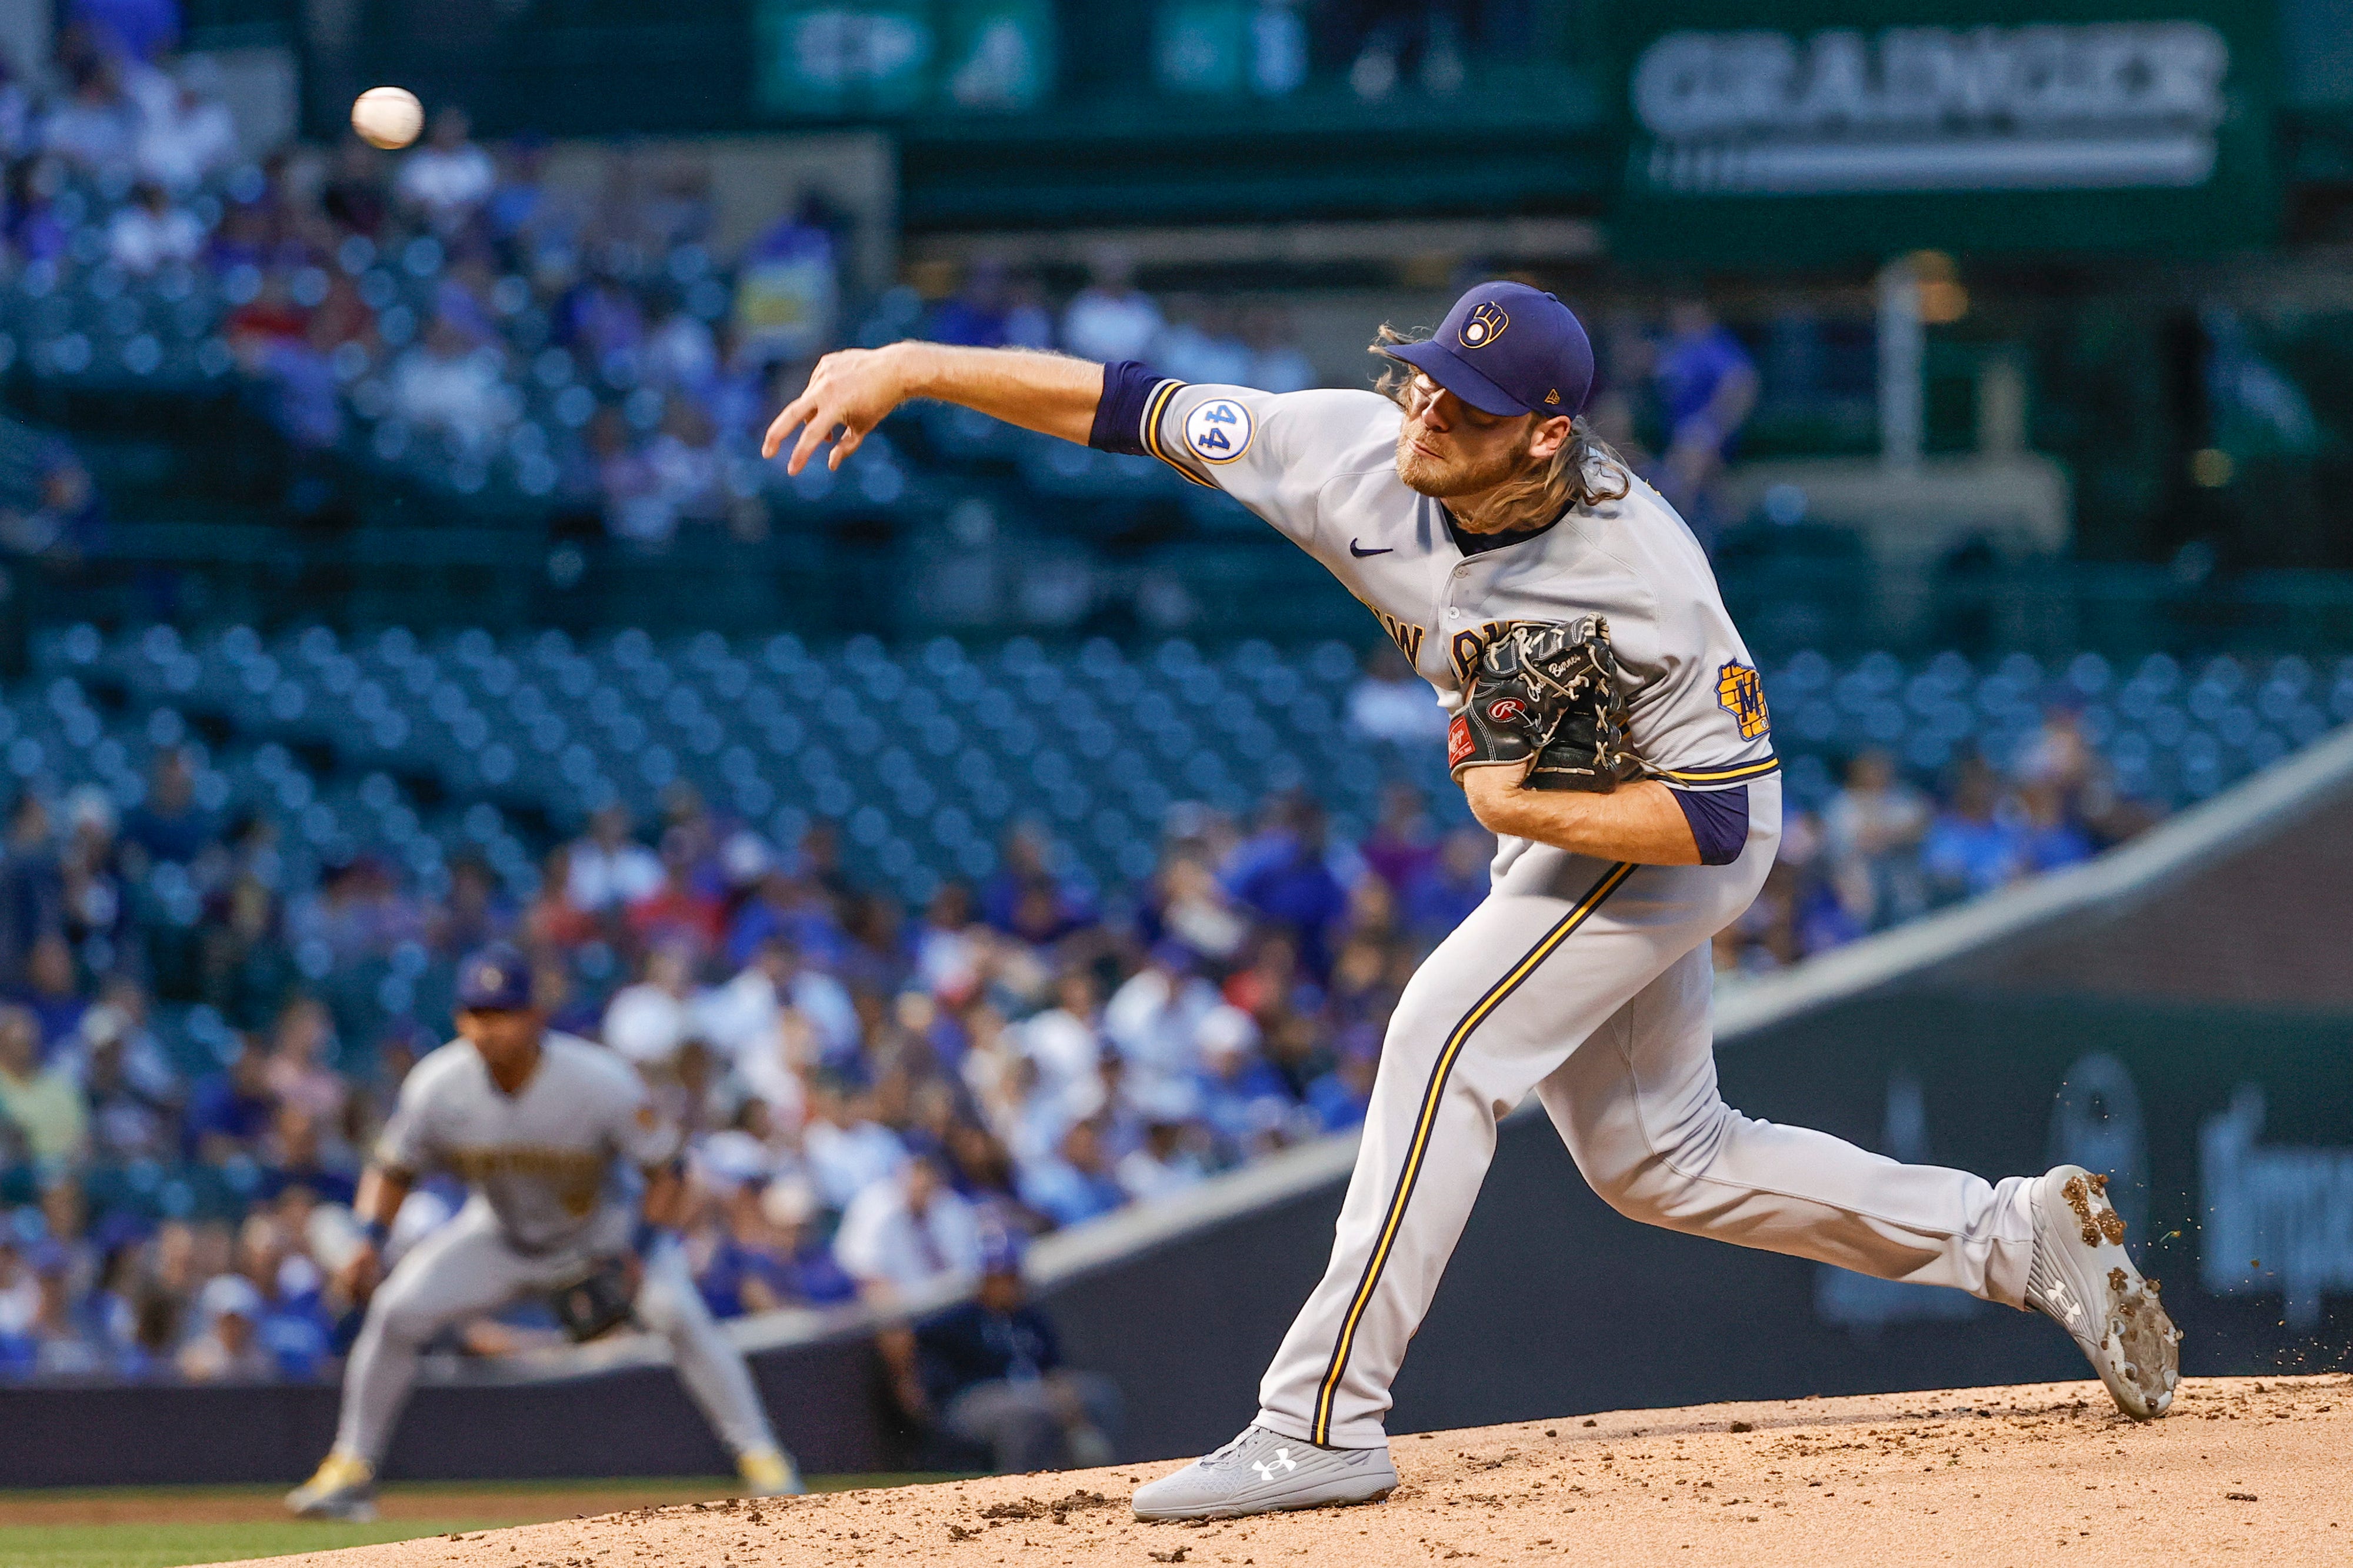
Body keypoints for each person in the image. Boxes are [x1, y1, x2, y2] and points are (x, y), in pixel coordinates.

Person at [759, 280, 2182, 1521]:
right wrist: (912, 364)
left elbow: (1720, 816)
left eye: (1469, 396)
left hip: (1666, 824)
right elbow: (1129, 402)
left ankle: (1318, 1418)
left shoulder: (1645, 581)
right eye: (1428, 369)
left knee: (1440, 1033)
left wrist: (1519, 809)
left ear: (1547, 433)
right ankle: (2016, 1233)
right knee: (1658, 1158)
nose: (1426, 405)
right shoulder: (1351, 450)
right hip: (1569, 809)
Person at [284, 944, 802, 1521]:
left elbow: (668, 1171)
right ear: (460, 1019)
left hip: (601, 1235)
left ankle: (763, 1458)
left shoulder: (596, 1079)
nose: (489, 1027)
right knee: (398, 1310)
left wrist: (643, 1251)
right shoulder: (440, 1083)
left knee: (680, 1313)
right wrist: (367, 1240)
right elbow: (393, 1167)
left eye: (503, 1011)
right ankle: (351, 1468)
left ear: (535, 1015)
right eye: (477, 1013)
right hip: (499, 1236)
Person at [912, 1229, 1119, 1473]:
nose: (1009, 1286)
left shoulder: (1029, 1318)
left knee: (1096, 1394)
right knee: (1025, 1413)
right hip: (976, 1399)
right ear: (983, 1281)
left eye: (1012, 1277)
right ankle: (1018, 1490)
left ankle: (1092, 1477)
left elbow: (1053, 1367)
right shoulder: (957, 1322)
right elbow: (923, 1353)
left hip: (1033, 1391)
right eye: (1000, 1279)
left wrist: (1070, 1405)